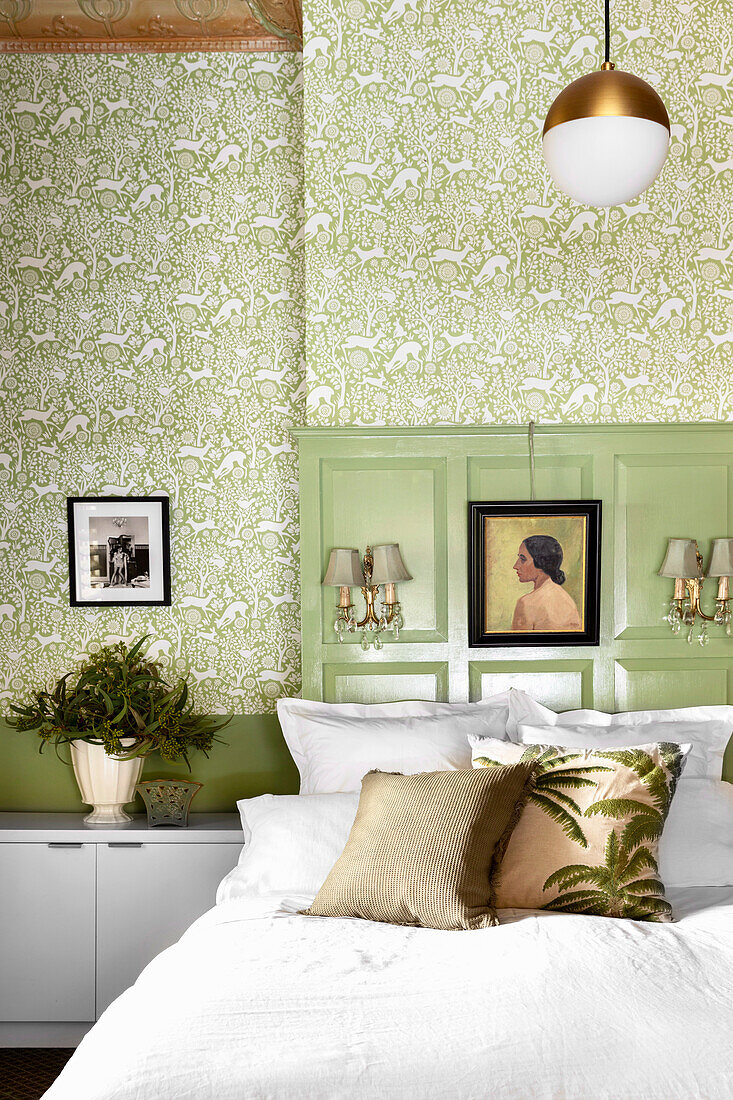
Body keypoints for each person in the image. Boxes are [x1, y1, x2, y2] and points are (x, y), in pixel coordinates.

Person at [511, 534, 581, 631]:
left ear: (541, 562)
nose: (515, 566)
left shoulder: (526, 604)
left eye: (523, 559)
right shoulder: (567, 601)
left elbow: (519, 645)